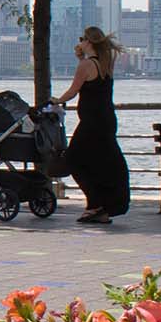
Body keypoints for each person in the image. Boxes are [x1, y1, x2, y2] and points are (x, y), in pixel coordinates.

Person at [51, 27, 128, 222]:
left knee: (73, 160)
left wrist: (57, 101)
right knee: (103, 162)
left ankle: (95, 204)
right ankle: (102, 206)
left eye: (82, 39)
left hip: (91, 122)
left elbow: (73, 90)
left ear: (89, 42)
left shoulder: (86, 65)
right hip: (107, 120)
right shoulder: (106, 62)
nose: (80, 42)